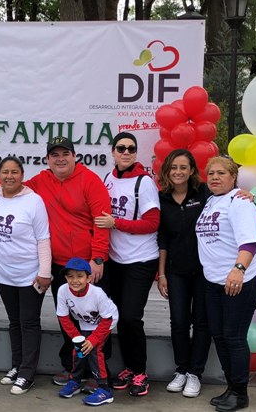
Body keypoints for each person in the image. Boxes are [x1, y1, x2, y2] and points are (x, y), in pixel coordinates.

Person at [0, 136, 110, 388]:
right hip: (57, 264)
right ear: (48, 160)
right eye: (54, 155)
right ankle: (73, 368)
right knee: (67, 320)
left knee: (91, 319)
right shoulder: (42, 180)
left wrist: (97, 258)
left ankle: (97, 373)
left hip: (83, 265)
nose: (60, 159)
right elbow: (12, 184)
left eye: (65, 154)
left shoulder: (90, 180)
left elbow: (102, 221)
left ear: (74, 156)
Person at [196, 156, 256, 412]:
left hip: (241, 279)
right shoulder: (212, 201)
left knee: (234, 337)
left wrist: (238, 269)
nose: (215, 177)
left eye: (221, 173)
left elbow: (249, 242)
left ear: (233, 177)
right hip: (215, 280)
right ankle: (231, 386)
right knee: (220, 335)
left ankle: (240, 393)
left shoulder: (240, 202)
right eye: (211, 173)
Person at [94, 132, 160, 397]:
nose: (125, 152)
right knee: (119, 316)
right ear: (113, 151)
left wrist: (116, 223)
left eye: (131, 149)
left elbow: (152, 223)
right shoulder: (108, 179)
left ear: (135, 153)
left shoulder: (144, 183)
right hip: (115, 260)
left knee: (132, 316)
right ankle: (130, 368)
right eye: (121, 148)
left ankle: (141, 371)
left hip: (140, 260)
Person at [0, 157, 52, 395]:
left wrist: (45, 273)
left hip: (30, 275)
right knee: (14, 322)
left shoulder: (34, 201)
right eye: (5, 172)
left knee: (29, 323)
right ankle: (16, 365)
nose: (9, 176)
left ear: (22, 175)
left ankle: (27, 373)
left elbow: (43, 238)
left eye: (14, 172)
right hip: (5, 275)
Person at [156, 149, 211, 398]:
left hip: (204, 271)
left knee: (201, 322)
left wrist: (247, 195)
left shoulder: (204, 193)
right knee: (178, 322)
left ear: (191, 171)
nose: (178, 172)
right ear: (167, 170)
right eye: (173, 167)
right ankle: (182, 369)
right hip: (175, 271)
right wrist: (162, 274)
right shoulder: (163, 198)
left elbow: (229, 200)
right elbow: (163, 239)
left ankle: (195, 374)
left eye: (183, 167)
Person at [56, 258, 119, 407]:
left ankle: (104, 389)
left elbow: (106, 320)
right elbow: (63, 317)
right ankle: (75, 380)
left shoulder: (98, 293)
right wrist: (76, 337)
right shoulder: (62, 290)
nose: (75, 280)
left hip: (107, 321)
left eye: (79, 276)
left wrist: (93, 340)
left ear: (89, 278)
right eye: (70, 276)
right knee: (78, 349)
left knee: (94, 350)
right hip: (86, 321)